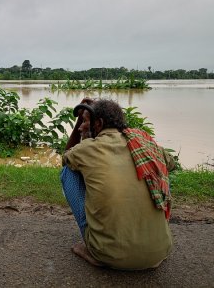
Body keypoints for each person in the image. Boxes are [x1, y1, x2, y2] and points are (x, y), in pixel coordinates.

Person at [61, 98, 175, 270]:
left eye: (85, 122)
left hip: (108, 255)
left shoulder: (87, 149)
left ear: (98, 123)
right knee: (155, 168)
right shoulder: (143, 143)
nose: (82, 127)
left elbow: (66, 159)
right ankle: (150, 240)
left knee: (68, 173)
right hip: (159, 253)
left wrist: (80, 128)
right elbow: (170, 164)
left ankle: (94, 248)